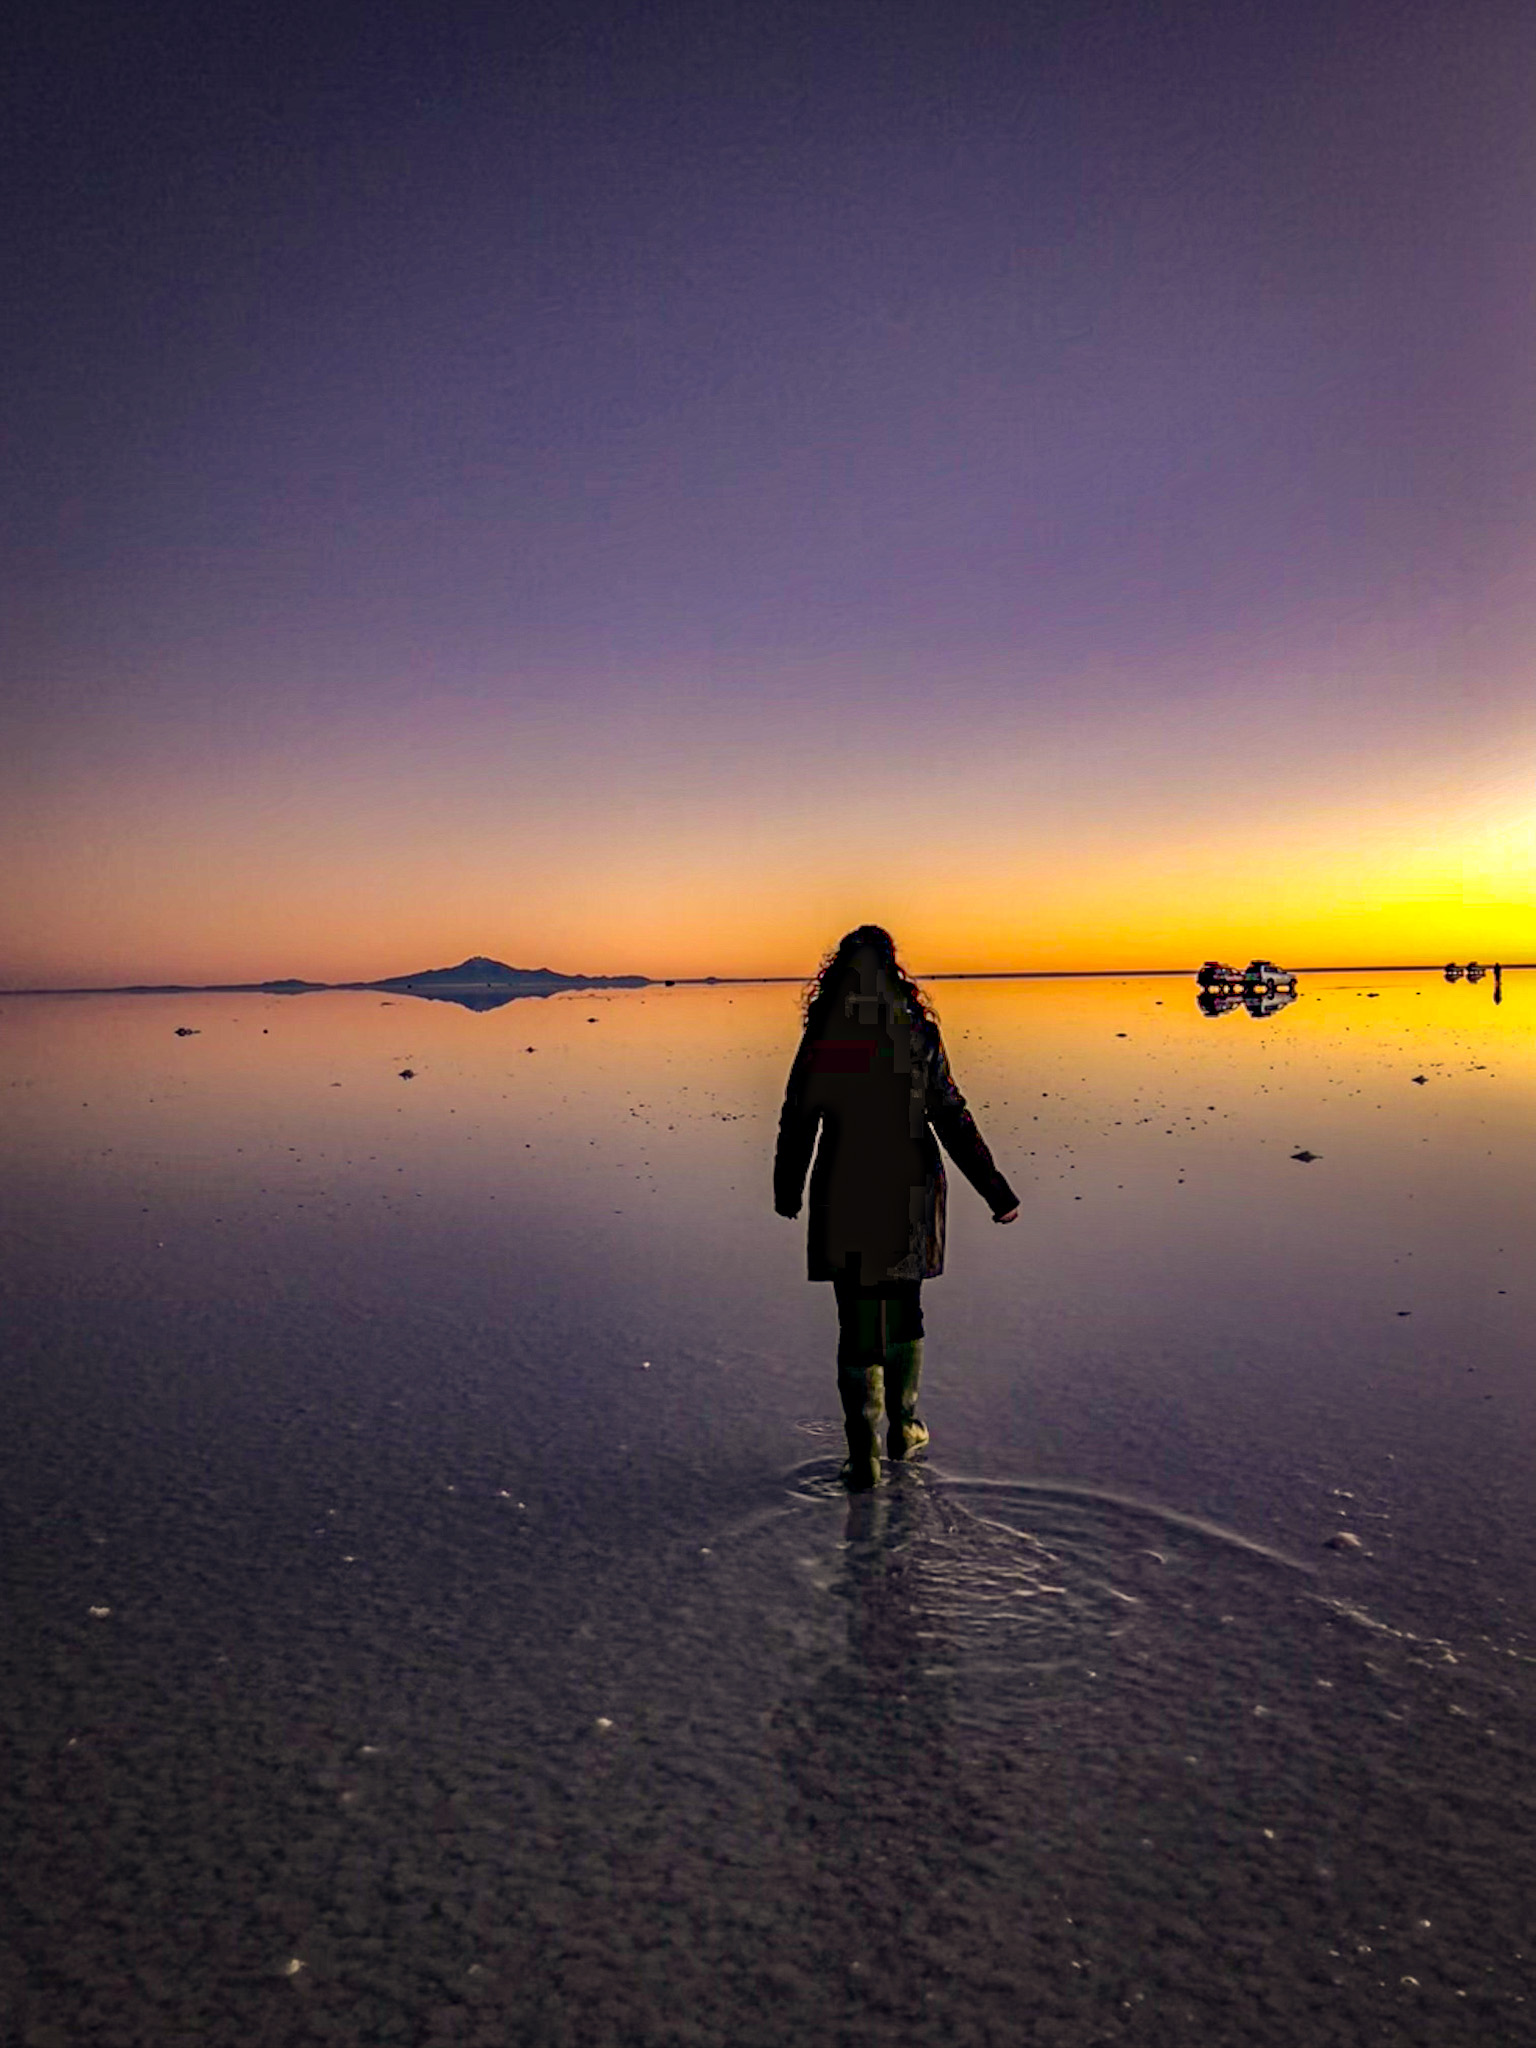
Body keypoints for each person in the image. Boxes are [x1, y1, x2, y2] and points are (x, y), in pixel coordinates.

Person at [773, 926, 1019, 1489]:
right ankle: (905, 1431)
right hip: (911, 1186)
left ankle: (863, 1458)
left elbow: (798, 1119)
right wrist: (997, 1192)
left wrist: (788, 1190)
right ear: (893, 972)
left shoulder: (825, 1038)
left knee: (858, 1318)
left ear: (837, 974)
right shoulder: (918, 1033)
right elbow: (952, 1115)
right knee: (904, 1308)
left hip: (846, 1187)